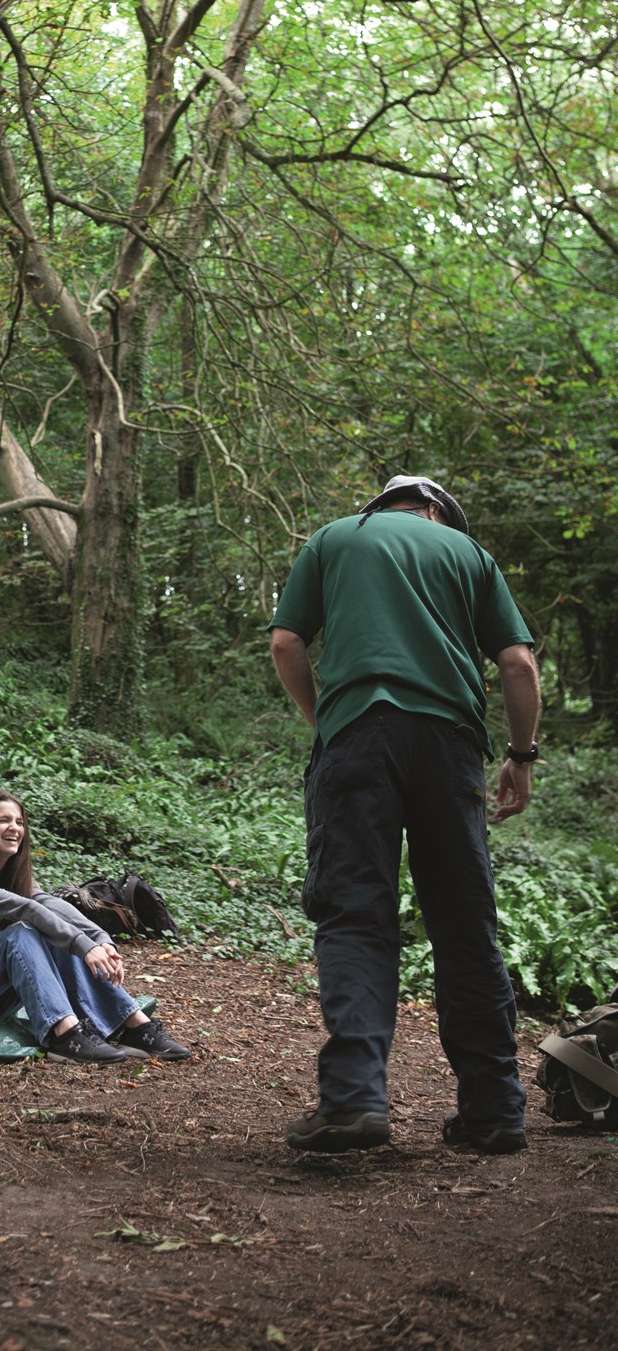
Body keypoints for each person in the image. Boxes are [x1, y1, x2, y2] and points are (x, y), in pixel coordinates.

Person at [269, 473, 541, 1155]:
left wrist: (324, 720)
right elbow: (517, 663)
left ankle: (355, 1101)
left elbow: (285, 642)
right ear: (435, 512)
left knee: (356, 913)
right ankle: (495, 1110)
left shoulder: (334, 538)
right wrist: (520, 755)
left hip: (358, 735)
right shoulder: (467, 556)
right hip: (449, 744)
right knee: (463, 920)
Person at [0, 789, 190, 1065]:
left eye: (19, 822)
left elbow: (45, 902)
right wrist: (84, 946)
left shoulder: (8, 872)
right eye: (3, 821)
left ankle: (133, 1025)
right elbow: (26, 909)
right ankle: (63, 1034)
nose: (14, 828)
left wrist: (99, 939)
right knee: (22, 934)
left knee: (50, 931)